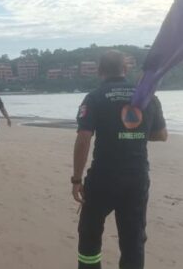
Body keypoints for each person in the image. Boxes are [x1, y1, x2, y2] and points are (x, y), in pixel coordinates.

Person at [72, 50, 168, 269]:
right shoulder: (148, 97)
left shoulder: (95, 97)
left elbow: (83, 139)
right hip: (136, 178)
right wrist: (135, 133)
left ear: (99, 71)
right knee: (133, 239)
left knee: (90, 233)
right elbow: (162, 135)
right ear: (125, 69)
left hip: (103, 178)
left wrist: (76, 180)